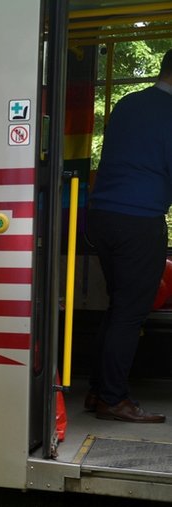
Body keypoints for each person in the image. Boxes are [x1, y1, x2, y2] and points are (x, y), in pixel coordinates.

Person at [84, 49, 172, 424]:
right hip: (139, 220)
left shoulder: (128, 104)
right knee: (130, 313)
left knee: (118, 307)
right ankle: (113, 398)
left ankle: (98, 391)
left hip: (102, 217)